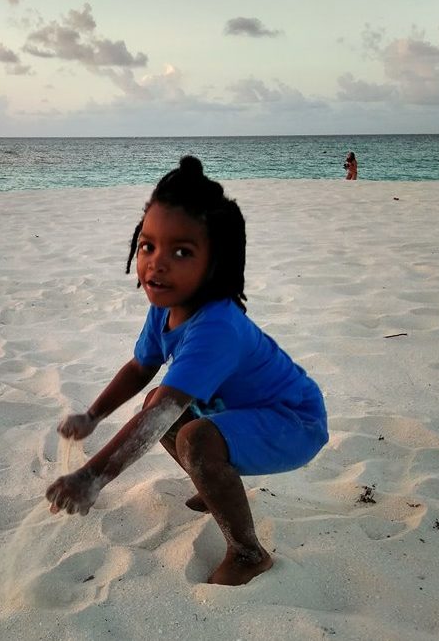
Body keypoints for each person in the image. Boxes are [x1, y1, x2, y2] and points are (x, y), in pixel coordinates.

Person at [45, 156, 329, 586]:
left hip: (295, 422)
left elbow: (157, 419)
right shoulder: (166, 309)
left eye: (181, 252)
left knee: (184, 428)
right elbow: (141, 366)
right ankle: (215, 481)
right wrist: (93, 415)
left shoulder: (217, 327)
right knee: (157, 403)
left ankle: (248, 553)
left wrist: (92, 476)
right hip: (244, 415)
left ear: (215, 263)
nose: (156, 263)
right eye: (147, 246)